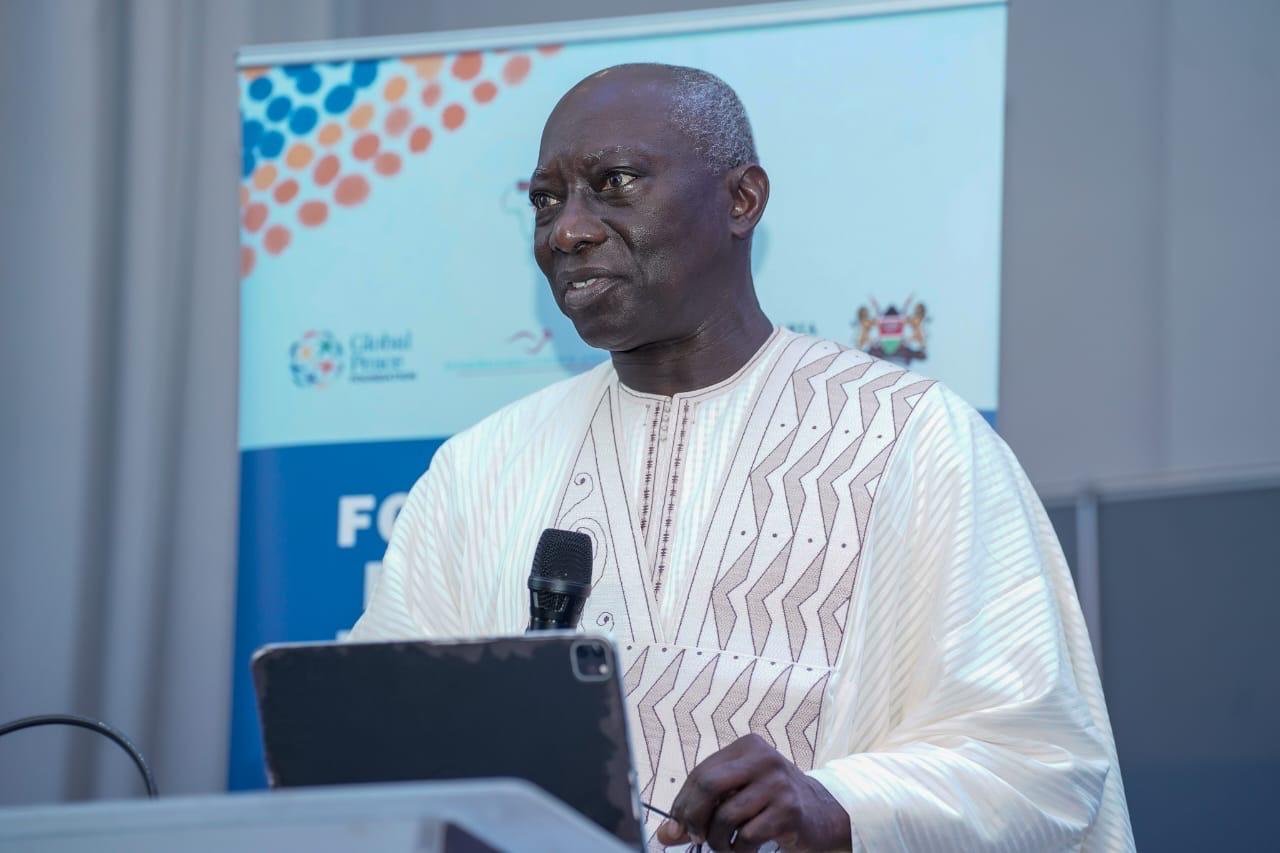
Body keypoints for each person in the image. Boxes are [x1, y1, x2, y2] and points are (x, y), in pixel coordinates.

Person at [351, 63, 1133, 852]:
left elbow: (1039, 759)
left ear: (742, 200)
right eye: (546, 200)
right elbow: (370, 738)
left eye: (614, 182)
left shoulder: (913, 439)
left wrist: (839, 804)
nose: (567, 230)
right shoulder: (480, 470)